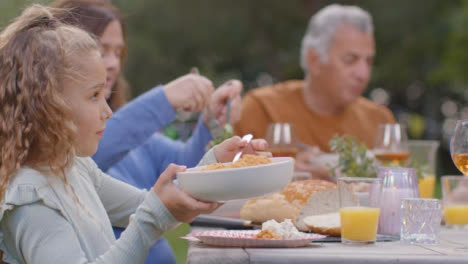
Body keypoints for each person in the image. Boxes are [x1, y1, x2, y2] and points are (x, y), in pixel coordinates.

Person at [0, 5, 267, 263]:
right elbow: (150, 213)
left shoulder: (74, 167)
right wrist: (149, 219)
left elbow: (151, 205)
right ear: (49, 106)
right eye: (94, 96)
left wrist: (214, 165)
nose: (107, 111)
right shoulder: (32, 200)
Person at [234, 4, 395, 180]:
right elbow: (230, 179)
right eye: (350, 60)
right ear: (315, 60)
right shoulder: (262, 107)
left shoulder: (380, 120)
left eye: (369, 62)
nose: (363, 74)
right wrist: (283, 174)